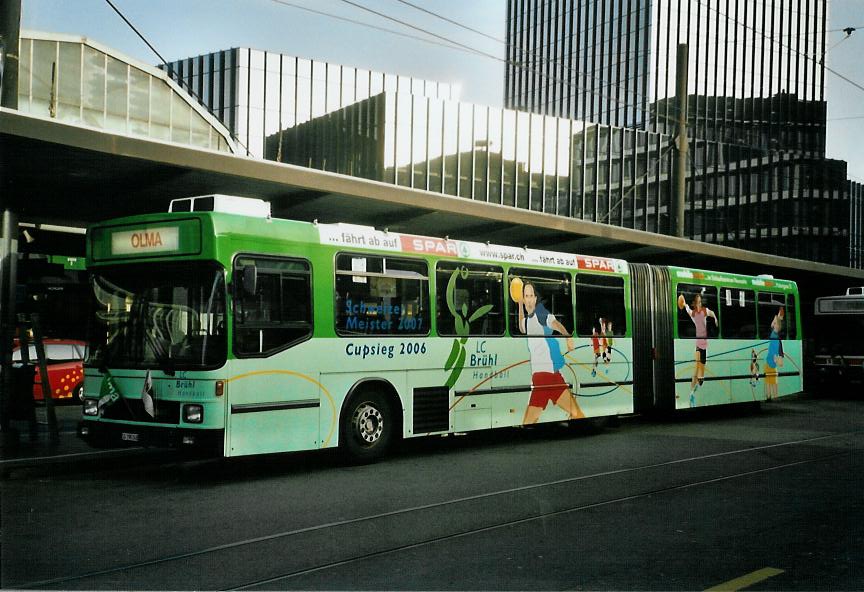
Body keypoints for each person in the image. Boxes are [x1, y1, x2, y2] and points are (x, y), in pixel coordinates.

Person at [515, 280, 585, 424]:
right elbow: (521, 327)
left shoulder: (540, 313)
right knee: (576, 413)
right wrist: (520, 304)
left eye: (530, 296)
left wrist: (567, 336)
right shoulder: (528, 320)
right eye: (525, 296)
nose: (528, 299)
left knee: (529, 420)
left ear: (535, 298)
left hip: (545, 376)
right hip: (546, 377)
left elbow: (555, 324)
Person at [678, 292, 717, 407]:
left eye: (700, 302)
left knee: (701, 375)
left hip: (704, 344)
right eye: (697, 302)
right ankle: (691, 393)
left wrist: (715, 319)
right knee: (696, 367)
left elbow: (712, 313)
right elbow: (687, 309)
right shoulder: (694, 313)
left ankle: (696, 388)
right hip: (698, 344)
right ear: (695, 304)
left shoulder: (705, 311)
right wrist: (684, 303)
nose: (699, 304)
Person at [764, 307, 785, 400]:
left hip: (772, 363)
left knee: (772, 381)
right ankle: (769, 396)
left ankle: (774, 396)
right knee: (769, 381)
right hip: (769, 361)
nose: (772, 323)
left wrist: (777, 360)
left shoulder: (775, 337)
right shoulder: (773, 335)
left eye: (774, 322)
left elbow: (780, 361)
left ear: (777, 326)